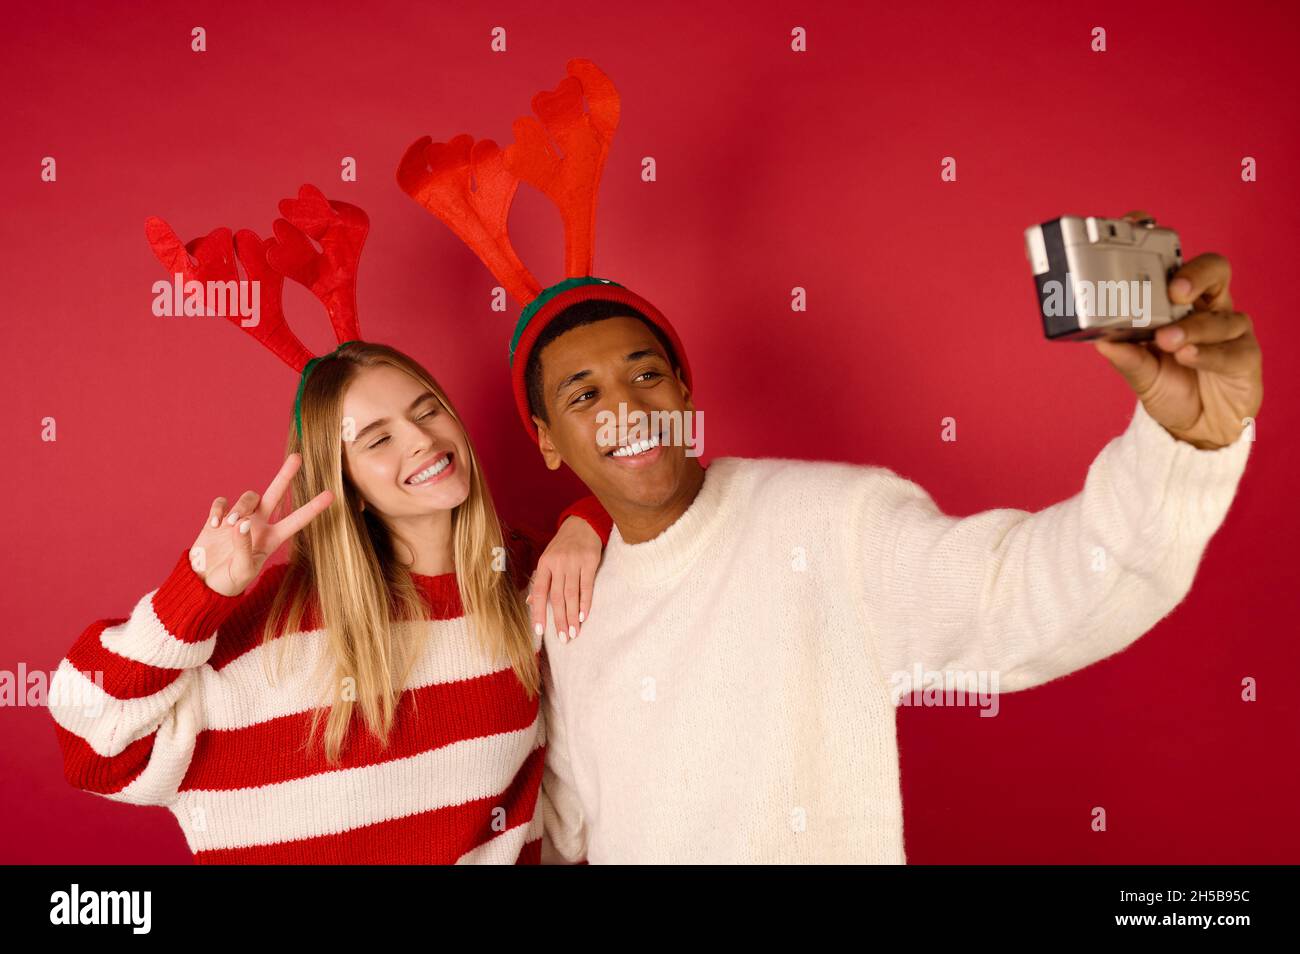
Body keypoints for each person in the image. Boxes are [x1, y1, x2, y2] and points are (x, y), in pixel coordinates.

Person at [395, 58, 1263, 862]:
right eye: (582, 395)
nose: (624, 408)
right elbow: (571, 816)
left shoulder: (831, 524)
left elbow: (1038, 594)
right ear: (547, 440)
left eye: (646, 373)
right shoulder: (571, 604)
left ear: (687, 394)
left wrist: (1187, 444)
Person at [47, 187, 611, 863]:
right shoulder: (271, 625)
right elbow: (93, 747)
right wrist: (197, 592)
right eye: (376, 439)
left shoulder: (527, 581)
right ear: (346, 486)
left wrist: (589, 519)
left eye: (426, 410)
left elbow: (659, 526)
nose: (422, 441)